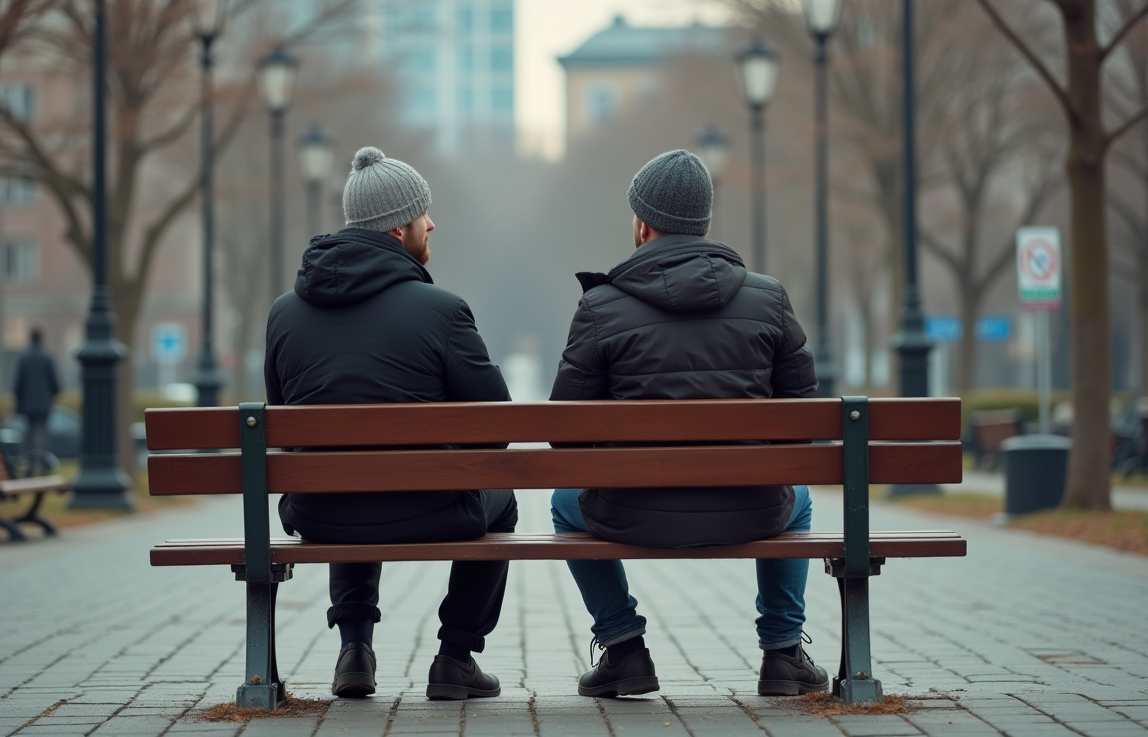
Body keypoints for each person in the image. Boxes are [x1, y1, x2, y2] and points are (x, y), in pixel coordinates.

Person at [549, 149, 828, 698]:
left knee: (562, 502)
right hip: (753, 509)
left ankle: (624, 648)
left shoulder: (601, 307)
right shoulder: (768, 297)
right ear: (703, 226)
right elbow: (802, 425)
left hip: (632, 511)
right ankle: (782, 653)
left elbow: (566, 431)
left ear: (643, 224)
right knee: (800, 500)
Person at [265, 146, 516, 702]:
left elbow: (280, 419)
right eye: (425, 213)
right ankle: (455, 657)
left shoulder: (284, 312)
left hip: (319, 511)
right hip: (430, 508)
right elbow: (497, 423)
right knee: (505, 496)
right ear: (401, 230)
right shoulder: (442, 310)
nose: (434, 223)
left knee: (345, 477)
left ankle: (354, 650)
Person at [13, 328, 60, 473]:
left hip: (27, 404)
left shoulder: (24, 358)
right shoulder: (47, 357)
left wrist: (19, 402)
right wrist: (50, 396)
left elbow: (18, 384)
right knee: (42, 433)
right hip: (44, 403)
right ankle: (42, 463)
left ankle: (30, 463)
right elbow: (55, 384)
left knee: (29, 433)